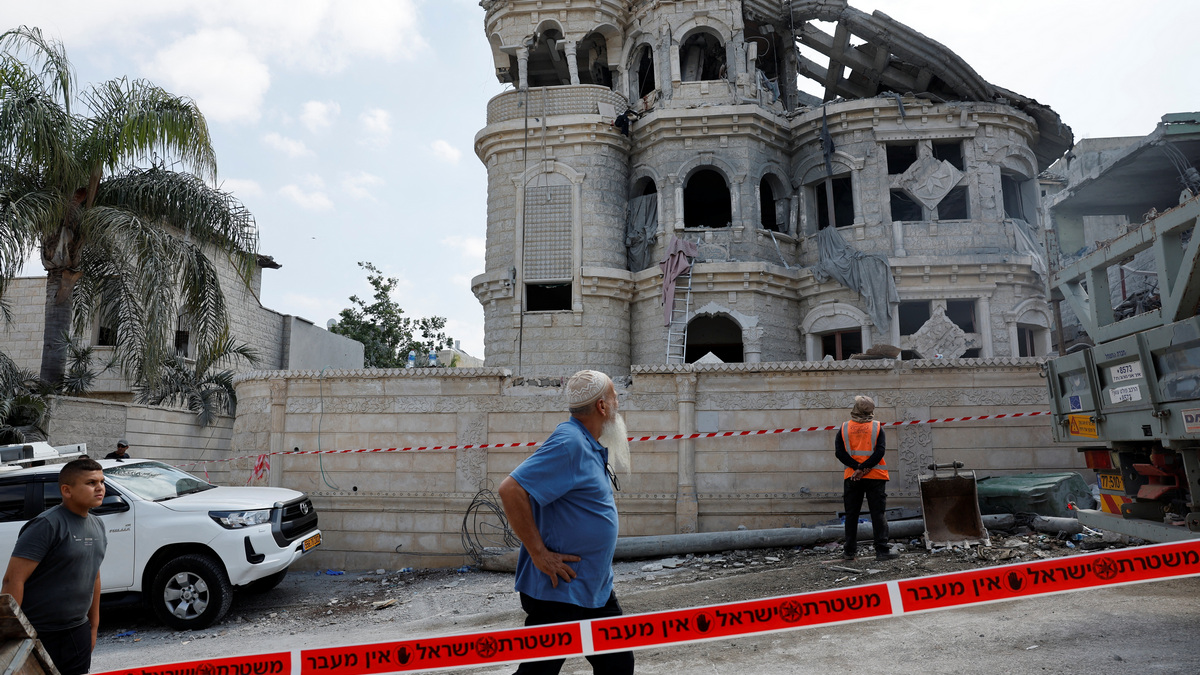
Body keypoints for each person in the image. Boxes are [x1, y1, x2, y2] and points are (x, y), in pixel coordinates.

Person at [498, 369, 634, 675]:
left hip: (592, 586)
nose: (618, 403)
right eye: (614, 397)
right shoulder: (569, 442)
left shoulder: (588, 442)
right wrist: (538, 554)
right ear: (601, 406)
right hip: (559, 590)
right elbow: (511, 490)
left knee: (617, 664)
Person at [2, 458, 108, 675]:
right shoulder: (47, 525)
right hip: (39, 632)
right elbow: (13, 580)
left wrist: (93, 626)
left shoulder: (98, 525)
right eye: (91, 483)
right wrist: (10, 635)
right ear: (67, 491)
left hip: (77, 631)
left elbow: (94, 576)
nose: (100, 488)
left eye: (102, 481)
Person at [835, 395, 898, 562]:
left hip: (852, 478)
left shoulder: (844, 428)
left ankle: (849, 552)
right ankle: (882, 551)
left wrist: (857, 469)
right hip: (875, 476)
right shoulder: (877, 427)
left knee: (851, 515)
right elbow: (880, 452)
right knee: (878, 513)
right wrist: (864, 468)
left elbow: (839, 453)